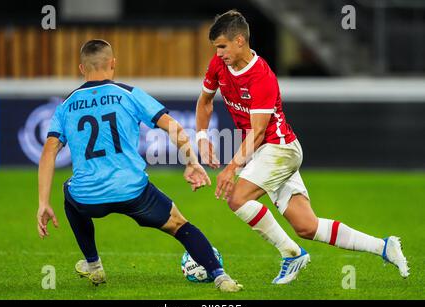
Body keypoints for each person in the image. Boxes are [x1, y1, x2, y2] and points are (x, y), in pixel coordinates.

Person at [195, 10, 409, 284]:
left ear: (239, 41)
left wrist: (231, 168)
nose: (219, 53)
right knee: (307, 226)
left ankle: (291, 254)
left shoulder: (261, 77)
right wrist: (202, 137)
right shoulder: (219, 64)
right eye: (216, 48)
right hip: (265, 153)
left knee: (237, 198)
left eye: (222, 46)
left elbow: (259, 132)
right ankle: (384, 246)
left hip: (279, 150)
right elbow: (205, 101)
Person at [36, 39, 243, 292]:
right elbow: (173, 127)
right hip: (133, 190)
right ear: (113, 63)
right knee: (180, 225)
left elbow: (48, 152)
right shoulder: (129, 94)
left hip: (88, 196)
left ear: (81, 68)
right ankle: (221, 277)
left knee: (70, 193)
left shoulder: (66, 105)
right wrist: (191, 162)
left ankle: (93, 264)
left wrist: (43, 203)